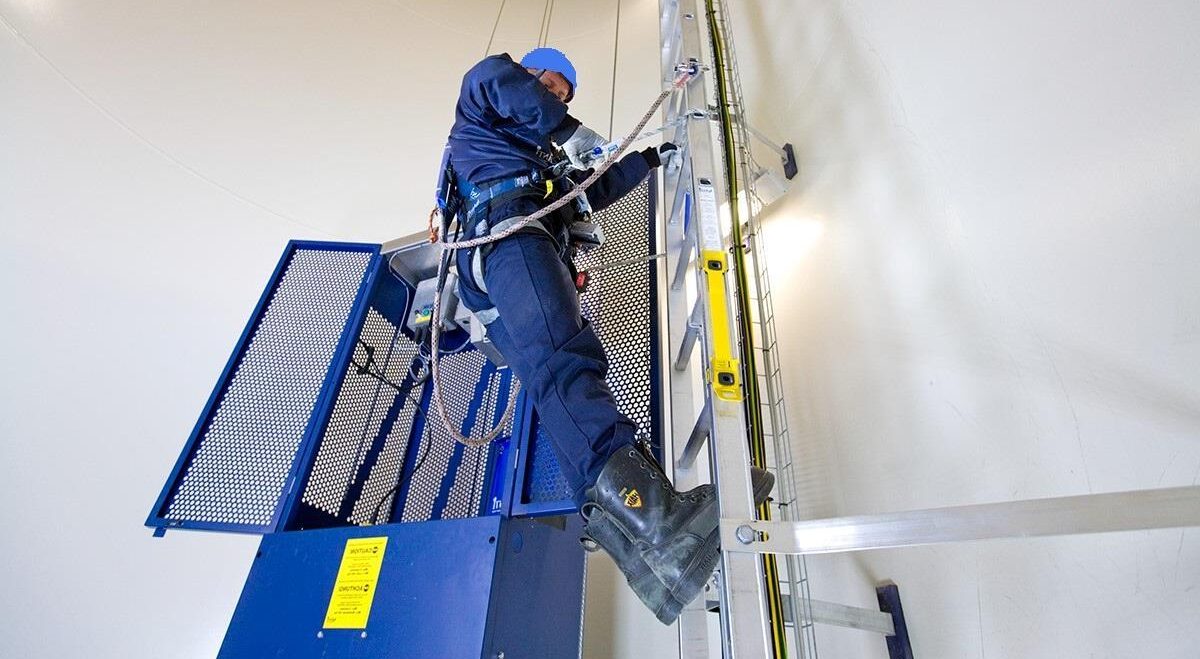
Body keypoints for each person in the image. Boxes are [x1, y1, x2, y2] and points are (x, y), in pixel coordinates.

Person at [441, 48, 773, 624]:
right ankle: (662, 523)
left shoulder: (542, 164)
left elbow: (589, 189)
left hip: (500, 261)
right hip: (510, 238)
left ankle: (644, 559)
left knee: (553, 389)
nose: (557, 97)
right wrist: (568, 129)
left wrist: (646, 160)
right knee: (568, 364)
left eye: (565, 95)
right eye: (552, 85)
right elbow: (490, 77)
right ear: (530, 75)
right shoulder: (485, 110)